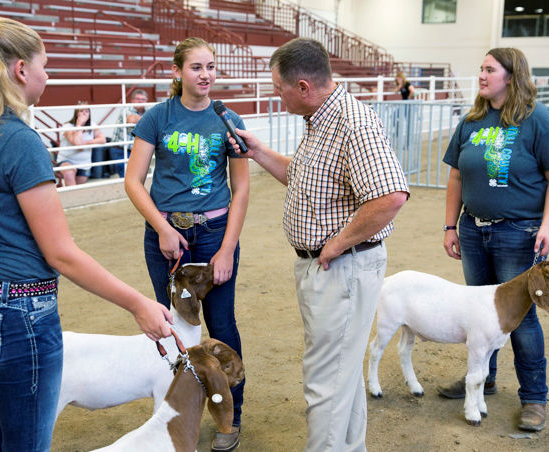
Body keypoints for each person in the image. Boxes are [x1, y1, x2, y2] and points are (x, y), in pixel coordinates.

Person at [0, 16, 172, 452]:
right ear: (21, 70)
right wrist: (139, 304)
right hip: (19, 311)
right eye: (45, 65)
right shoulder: (20, 142)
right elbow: (62, 254)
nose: (48, 75)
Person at [228, 38, 409, 452]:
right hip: (329, 269)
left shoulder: (352, 123)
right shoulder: (321, 120)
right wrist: (258, 152)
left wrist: (337, 244)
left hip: (340, 268)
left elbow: (390, 196)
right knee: (340, 372)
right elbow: (304, 177)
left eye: (280, 88)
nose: (278, 95)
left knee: (325, 379)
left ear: (304, 87)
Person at [124, 37, 249, 452]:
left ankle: (232, 414)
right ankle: (178, 410)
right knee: (173, 329)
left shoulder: (227, 120)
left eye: (211, 66)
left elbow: (241, 189)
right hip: (168, 239)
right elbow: (133, 181)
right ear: (177, 71)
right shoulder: (157, 118)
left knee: (222, 324)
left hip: (213, 234)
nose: (206, 74)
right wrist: (161, 227)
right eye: (197, 67)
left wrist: (227, 247)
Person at [440, 47, 549, 432]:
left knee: (523, 317)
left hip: (519, 233)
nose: (481, 75)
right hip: (473, 229)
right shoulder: (472, 120)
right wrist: (451, 226)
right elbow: (456, 177)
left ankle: (534, 398)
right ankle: (485, 380)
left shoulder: (539, 120)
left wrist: (546, 225)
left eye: (489, 70)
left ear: (511, 76)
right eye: (480, 68)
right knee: (481, 312)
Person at [56, 102, 106, 185]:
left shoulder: (92, 125)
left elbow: (102, 139)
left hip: (83, 164)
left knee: (80, 189)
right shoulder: (67, 126)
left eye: (87, 111)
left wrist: (86, 143)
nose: (84, 113)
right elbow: (77, 143)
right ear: (76, 113)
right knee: (69, 173)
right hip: (66, 160)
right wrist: (79, 125)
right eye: (81, 111)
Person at [110, 89, 148, 178]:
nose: (140, 101)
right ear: (132, 100)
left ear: (146, 101)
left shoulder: (147, 111)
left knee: (135, 177)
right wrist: (149, 120)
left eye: (143, 99)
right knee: (126, 176)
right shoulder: (126, 109)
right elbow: (131, 119)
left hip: (135, 150)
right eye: (137, 99)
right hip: (120, 149)